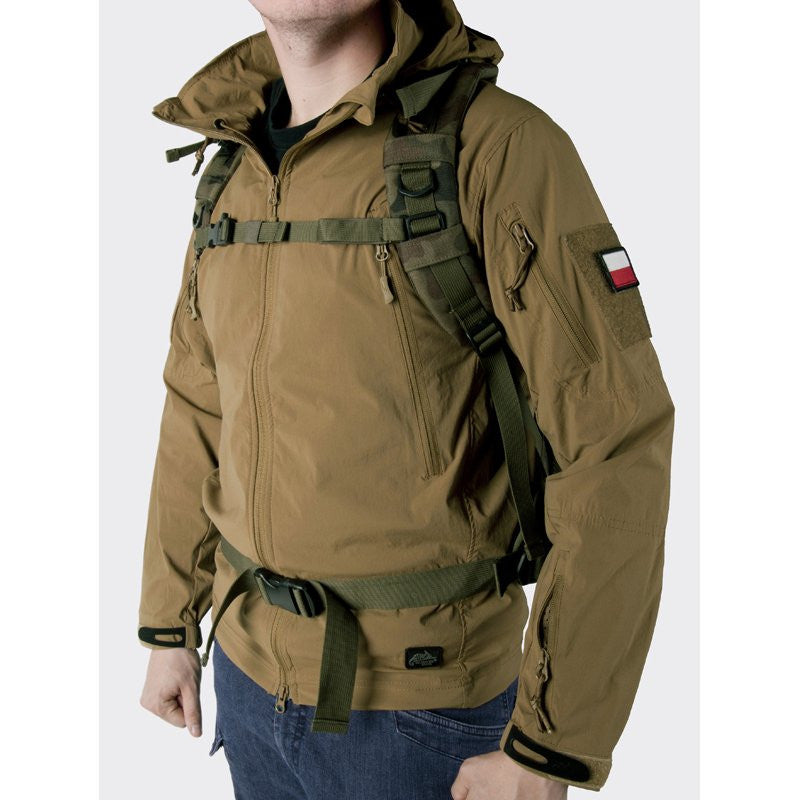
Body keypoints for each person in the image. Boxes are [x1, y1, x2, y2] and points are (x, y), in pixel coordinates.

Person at [137, 1, 675, 798]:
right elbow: (199, 399)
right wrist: (170, 621)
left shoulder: (499, 147)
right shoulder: (234, 164)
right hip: (245, 681)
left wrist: (550, 745)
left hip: (423, 713)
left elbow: (616, 441)